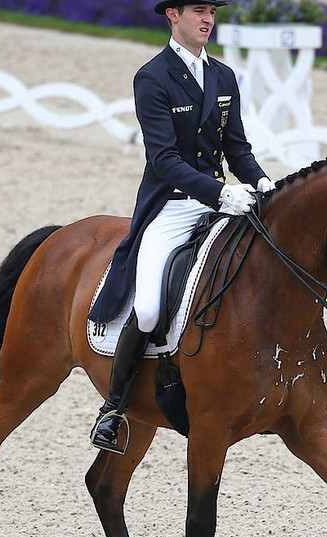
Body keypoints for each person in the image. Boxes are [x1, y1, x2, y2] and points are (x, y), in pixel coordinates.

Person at [85, 0, 274, 454]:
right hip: (172, 207)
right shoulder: (153, 77)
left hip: (221, 205)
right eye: (197, 11)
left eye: (211, 11)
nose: (207, 20)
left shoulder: (224, 77)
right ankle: (112, 409)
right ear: (173, 15)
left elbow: (236, 148)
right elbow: (164, 160)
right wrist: (220, 193)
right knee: (149, 309)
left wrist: (262, 182)